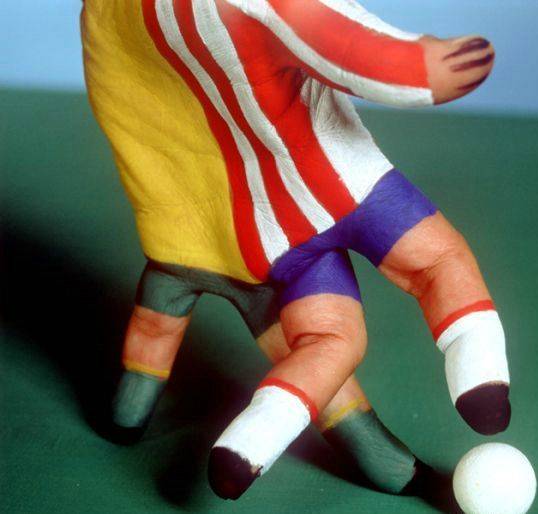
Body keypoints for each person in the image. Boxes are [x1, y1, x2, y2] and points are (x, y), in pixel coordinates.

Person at [81, 0, 510, 501]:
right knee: (439, 262)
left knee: (330, 342)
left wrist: (187, 240)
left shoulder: (102, 17)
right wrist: (429, 69)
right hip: (339, 185)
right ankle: (482, 382)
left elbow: (133, 114)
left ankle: (247, 446)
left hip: (225, 237)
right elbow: (344, 43)